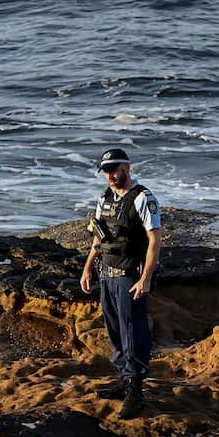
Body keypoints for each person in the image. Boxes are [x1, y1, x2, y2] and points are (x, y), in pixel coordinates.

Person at [79, 148, 162, 420]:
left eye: (115, 168)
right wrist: (88, 267)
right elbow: (98, 237)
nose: (111, 175)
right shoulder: (105, 198)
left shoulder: (142, 198)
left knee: (133, 333)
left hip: (129, 278)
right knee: (115, 330)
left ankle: (135, 391)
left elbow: (154, 240)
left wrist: (145, 279)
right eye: (106, 170)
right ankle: (123, 381)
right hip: (106, 275)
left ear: (128, 167)